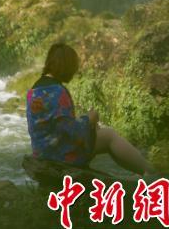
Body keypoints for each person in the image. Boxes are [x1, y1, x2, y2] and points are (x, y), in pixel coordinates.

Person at [26, 43, 155, 175]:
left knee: (98, 132)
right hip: (61, 156)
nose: (74, 71)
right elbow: (74, 133)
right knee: (109, 135)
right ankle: (151, 173)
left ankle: (144, 172)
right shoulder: (58, 91)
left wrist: (88, 125)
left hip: (42, 152)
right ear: (66, 66)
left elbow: (56, 125)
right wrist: (90, 118)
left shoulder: (33, 91)